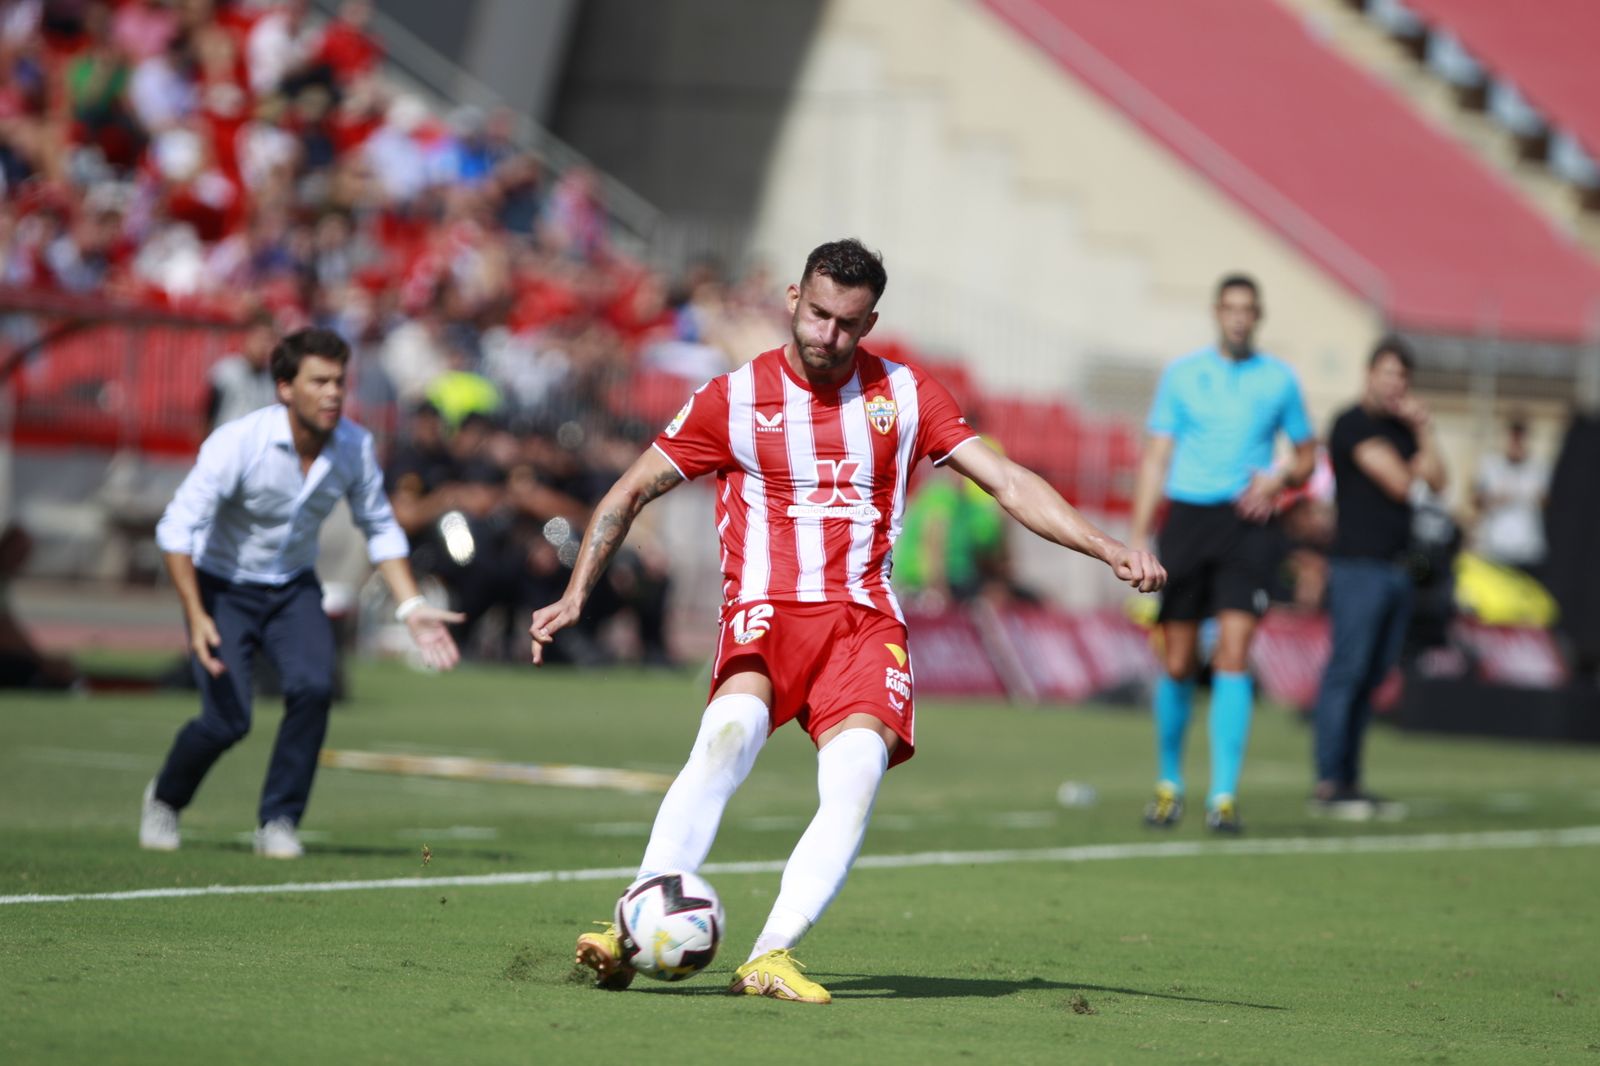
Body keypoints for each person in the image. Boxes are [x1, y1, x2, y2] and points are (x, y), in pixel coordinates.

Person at [531, 239, 1164, 1004]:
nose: (827, 336)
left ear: (871, 323)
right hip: (765, 615)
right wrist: (576, 593)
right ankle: (631, 929)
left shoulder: (904, 394)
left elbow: (1007, 481)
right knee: (723, 745)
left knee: (857, 776)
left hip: (863, 625)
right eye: (819, 314)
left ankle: (770, 955)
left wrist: (1105, 547)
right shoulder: (733, 398)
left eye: (847, 323)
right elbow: (628, 493)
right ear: (794, 297)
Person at [142, 328, 464, 859]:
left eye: (339, 381)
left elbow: (380, 527)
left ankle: (279, 820)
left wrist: (410, 607)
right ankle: (165, 799)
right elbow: (175, 531)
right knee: (228, 720)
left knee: (315, 689)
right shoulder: (237, 443)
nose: (333, 392)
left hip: (293, 589)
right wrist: (196, 614)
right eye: (319, 381)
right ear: (285, 388)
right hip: (222, 589)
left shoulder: (354, 445)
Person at [1128, 274, 1316, 833]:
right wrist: (1138, 536)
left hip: (1248, 524)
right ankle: (1169, 784)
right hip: (1187, 520)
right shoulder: (1183, 375)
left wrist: (1278, 479)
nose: (1238, 318)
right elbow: (1156, 456)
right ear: (1217, 313)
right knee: (1179, 660)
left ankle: (1224, 796)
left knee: (1234, 652)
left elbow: (1307, 454)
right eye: (1230, 309)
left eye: (1248, 310)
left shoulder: (1279, 380)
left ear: (1258, 317)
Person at [1310, 338, 1445, 818]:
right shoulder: (1352, 424)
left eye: (1402, 377)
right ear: (1370, 374)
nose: (1395, 385)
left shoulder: (1404, 429)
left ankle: (1351, 779)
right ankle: (1328, 781)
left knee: (1372, 677)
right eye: (1388, 374)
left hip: (1397, 569)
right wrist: (1416, 465)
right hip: (1358, 567)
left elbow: (1439, 479)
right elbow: (1405, 484)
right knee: (1347, 671)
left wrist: (1424, 430)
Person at [1473, 416, 1548, 577]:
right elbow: (1475, 500)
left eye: (1520, 436)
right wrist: (1493, 498)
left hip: (1529, 550)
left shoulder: (1539, 468)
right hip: (1495, 549)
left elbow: (1550, 504)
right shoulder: (1490, 465)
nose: (1516, 441)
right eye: (1513, 436)